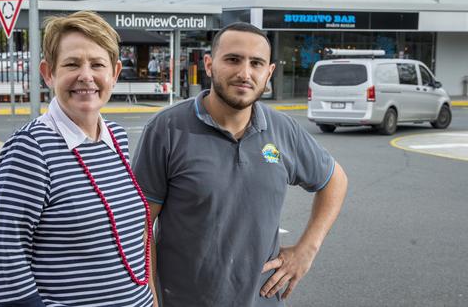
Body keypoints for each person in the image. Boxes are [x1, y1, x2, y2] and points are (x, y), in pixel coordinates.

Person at [132, 22, 348, 306]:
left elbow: (335, 179)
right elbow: (140, 227)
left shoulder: (283, 129)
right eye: (233, 59)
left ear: (268, 73)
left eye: (256, 63)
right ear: (209, 64)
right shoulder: (166, 129)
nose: (244, 73)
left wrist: (307, 249)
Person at [0, 11, 156, 307]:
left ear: (114, 73)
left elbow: (130, 245)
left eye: (97, 64)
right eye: (72, 64)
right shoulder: (30, 148)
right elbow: (7, 259)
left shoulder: (117, 137)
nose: (86, 76)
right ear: (48, 73)